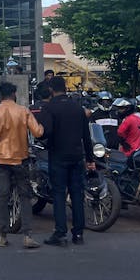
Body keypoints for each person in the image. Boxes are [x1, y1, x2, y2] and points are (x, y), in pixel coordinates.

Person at [0, 80, 44, 249]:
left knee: (3, 197)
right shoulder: (23, 111)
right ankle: (27, 235)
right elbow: (38, 132)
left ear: (0, 95)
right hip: (20, 159)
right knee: (25, 197)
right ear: (14, 94)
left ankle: (2, 235)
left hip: (0, 160)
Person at [40, 76, 95, 246]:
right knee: (77, 194)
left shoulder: (50, 108)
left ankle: (60, 232)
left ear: (51, 89)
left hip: (58, 155)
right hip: (77, 156)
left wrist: (45, 141)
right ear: (65, 88)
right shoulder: (78, 108)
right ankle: (78, 234)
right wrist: (90, 159)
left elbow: (46, 132)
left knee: (58, 194)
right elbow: (86, 136)